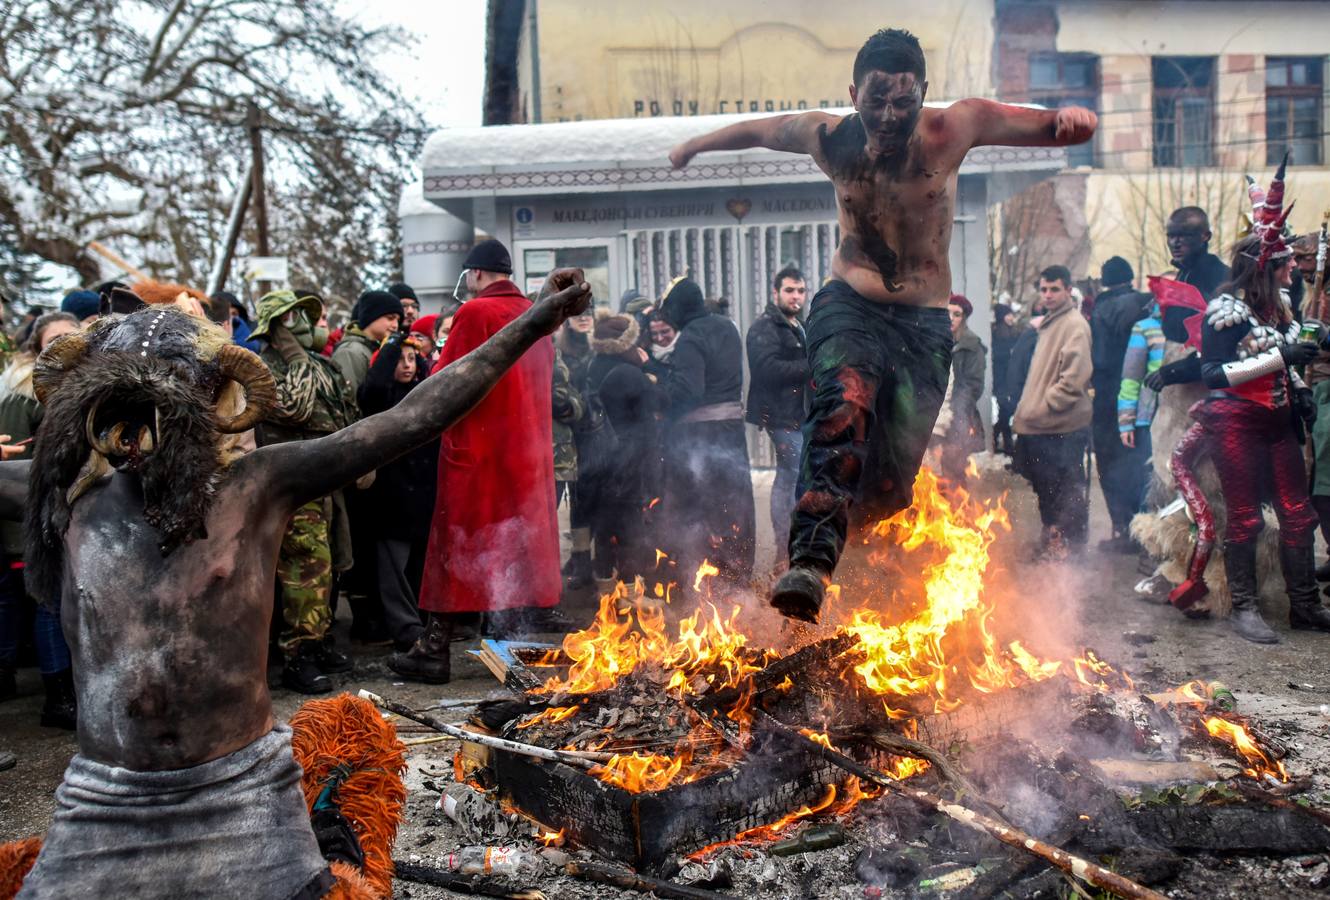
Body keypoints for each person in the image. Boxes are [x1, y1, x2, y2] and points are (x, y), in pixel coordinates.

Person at [0, 270, 591, 897]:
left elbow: (416, 414)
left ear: (209, 404)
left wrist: (536, 320)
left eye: (161, 413)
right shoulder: (69, 498)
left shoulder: (257, 485)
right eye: (120, 417)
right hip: (102, 803)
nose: (138, 440)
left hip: (241, 797)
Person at [669, 27, 1095, 620]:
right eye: (876, 102)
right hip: (851, 302)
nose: (890, 117)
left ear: (924, 93)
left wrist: (1065, 124)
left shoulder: (952, 129)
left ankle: (860, 555)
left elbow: (1027, 123)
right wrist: (695, 145)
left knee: (893, 483)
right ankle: (809, 563)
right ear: (853, 94)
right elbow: (761, 130)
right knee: (844, 404)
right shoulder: (828, 138)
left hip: (922, 322)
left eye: (903, 102)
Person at [392, 240, 565, 682]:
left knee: (457, 547)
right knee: (510, 550)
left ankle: (434, 650)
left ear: (476, 273)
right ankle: (502, 649)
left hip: (479, 451)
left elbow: (448, 382)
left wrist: (432, 364)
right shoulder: (536, 314)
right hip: (524, 456)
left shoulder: (474, 313)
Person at [1194, 167, 1330, 642]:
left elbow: (1285, 361)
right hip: (1235, 425)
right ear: (1266, 268)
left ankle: (1305, 606)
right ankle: (1244, 609)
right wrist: (1280, 358)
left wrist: (1301, 386)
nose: (1295, 268)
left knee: (1298, 513)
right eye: (1287, 262)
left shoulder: (1282, 310)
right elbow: (1211, 375)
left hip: (1277, 423)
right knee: (1247, 516)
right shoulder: (1225, 312)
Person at [252, 291, 357, 693]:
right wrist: (295, 357)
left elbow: (345, 408)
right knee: (306, 569)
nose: (303, 323)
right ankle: (299, 655)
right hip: (292, 483)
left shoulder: (321, 364)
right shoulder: (262, 367)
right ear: (275, 325)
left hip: (327, 480)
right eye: (293, 316)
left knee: (333, 565)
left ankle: (320, 638)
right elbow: (295, 408)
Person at [644, 277, 755, 591]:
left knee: (701, 506)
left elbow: (689, 391)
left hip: (702, 437)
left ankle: (700, 578)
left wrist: (656, 386)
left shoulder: (691, 335)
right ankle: (737, 575)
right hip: (731, 434)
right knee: (733, 503)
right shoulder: (727, 327)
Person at [0, 312, 80, 730]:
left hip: (73, 515)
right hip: (34, 520)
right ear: (38, 346)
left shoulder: (84, 388)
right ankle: (58, 696)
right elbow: (10, 467)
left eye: (73, 336)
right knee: (48, 605)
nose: (65, 344)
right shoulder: (20, 394)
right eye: (55, 339)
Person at [357, 332, 434, 652]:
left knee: (416, 567)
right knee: (394, 571)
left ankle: (418, 623)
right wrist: (390, 349)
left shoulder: (423, 393)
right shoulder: (381, 396)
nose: (406, 364)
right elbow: (371, 390)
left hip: (420, 498)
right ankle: (406, 628)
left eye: (411, 358)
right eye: (399, 359)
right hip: (391, 500)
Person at [1013, 266, 1093, 559]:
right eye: (1044, 289)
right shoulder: (1048, 323)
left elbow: (1074, 379)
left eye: (1054, 289)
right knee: (1045, 490)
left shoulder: (1074, 325)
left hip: (1060, 426)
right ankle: (1052, 539)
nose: (1047, 295)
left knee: (1064, 490)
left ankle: (1066, 548)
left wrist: (1046, 405)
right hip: (1038, 426)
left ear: (1068, 290)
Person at [583, 311, 663, 584]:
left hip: (597, 459)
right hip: (628, 462)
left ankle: (605, 591)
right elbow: (657, 409)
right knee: (630, 529)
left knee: (604, 529)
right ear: (626, 343)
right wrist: (649, 369)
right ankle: (629, 594)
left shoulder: (592, 366)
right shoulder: (631, 373)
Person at [745, 265, 810, 569]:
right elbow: (766, 370)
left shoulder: (799, 325)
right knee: (791, 474)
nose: (796, 296)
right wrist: (811, 367)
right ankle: (784, 548)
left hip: (801, 415)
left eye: (800, 291)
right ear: (776, 293)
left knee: (795, 475)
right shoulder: (766, 327)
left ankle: (794, 545)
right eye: (789, 290)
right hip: (781, 417)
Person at [1089, 257, 1153, 551]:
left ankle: (1122, 529)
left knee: (1110, 462)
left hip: (1108, 395)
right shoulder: (1146, 302)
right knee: (1140, 460)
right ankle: (1146, 529)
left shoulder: (1101, 309)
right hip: (1142, 393)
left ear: (1105, 280)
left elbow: (1100, 358)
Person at [1115, 299, 1164, 543]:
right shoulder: (1144, 327)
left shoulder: (1192, 326)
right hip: (1150, 418)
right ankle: (1150, 546)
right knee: (1150, 485)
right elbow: (1131, 378)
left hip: (1184, 418)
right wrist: (1126, 421)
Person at [939, 293, 986, 486]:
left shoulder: (972, 346)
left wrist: (954, 414)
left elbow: (973, 386)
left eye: (956, 314)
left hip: (959, 418)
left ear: (964, 318)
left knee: (954, 472)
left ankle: (958, 514)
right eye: (948, 313)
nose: (951, 318)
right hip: (936, 417)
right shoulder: (937, 342)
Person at [331, 290, 402, 395]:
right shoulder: (350, 352)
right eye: (390, 318)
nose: (395, 325)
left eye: (398, 320)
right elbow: (348, 401)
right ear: (371, 316)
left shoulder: (374, 348)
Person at [1167, 206, 1230, 302]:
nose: (1175, 243)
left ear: (1205, 236)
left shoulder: (1221, 277)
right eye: (1171, 236)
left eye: (1184, 235)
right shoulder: (1184, 274)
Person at [990, 303, 1020, 455]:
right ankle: (1003, 443)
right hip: (1002, 379)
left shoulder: (1012, 332)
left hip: (1008, 379)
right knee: (1005, 410)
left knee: (1006, 411)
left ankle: (998, 439)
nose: (1011, 317)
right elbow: (1000, 358)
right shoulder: (998, 334)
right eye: (1008, 314)